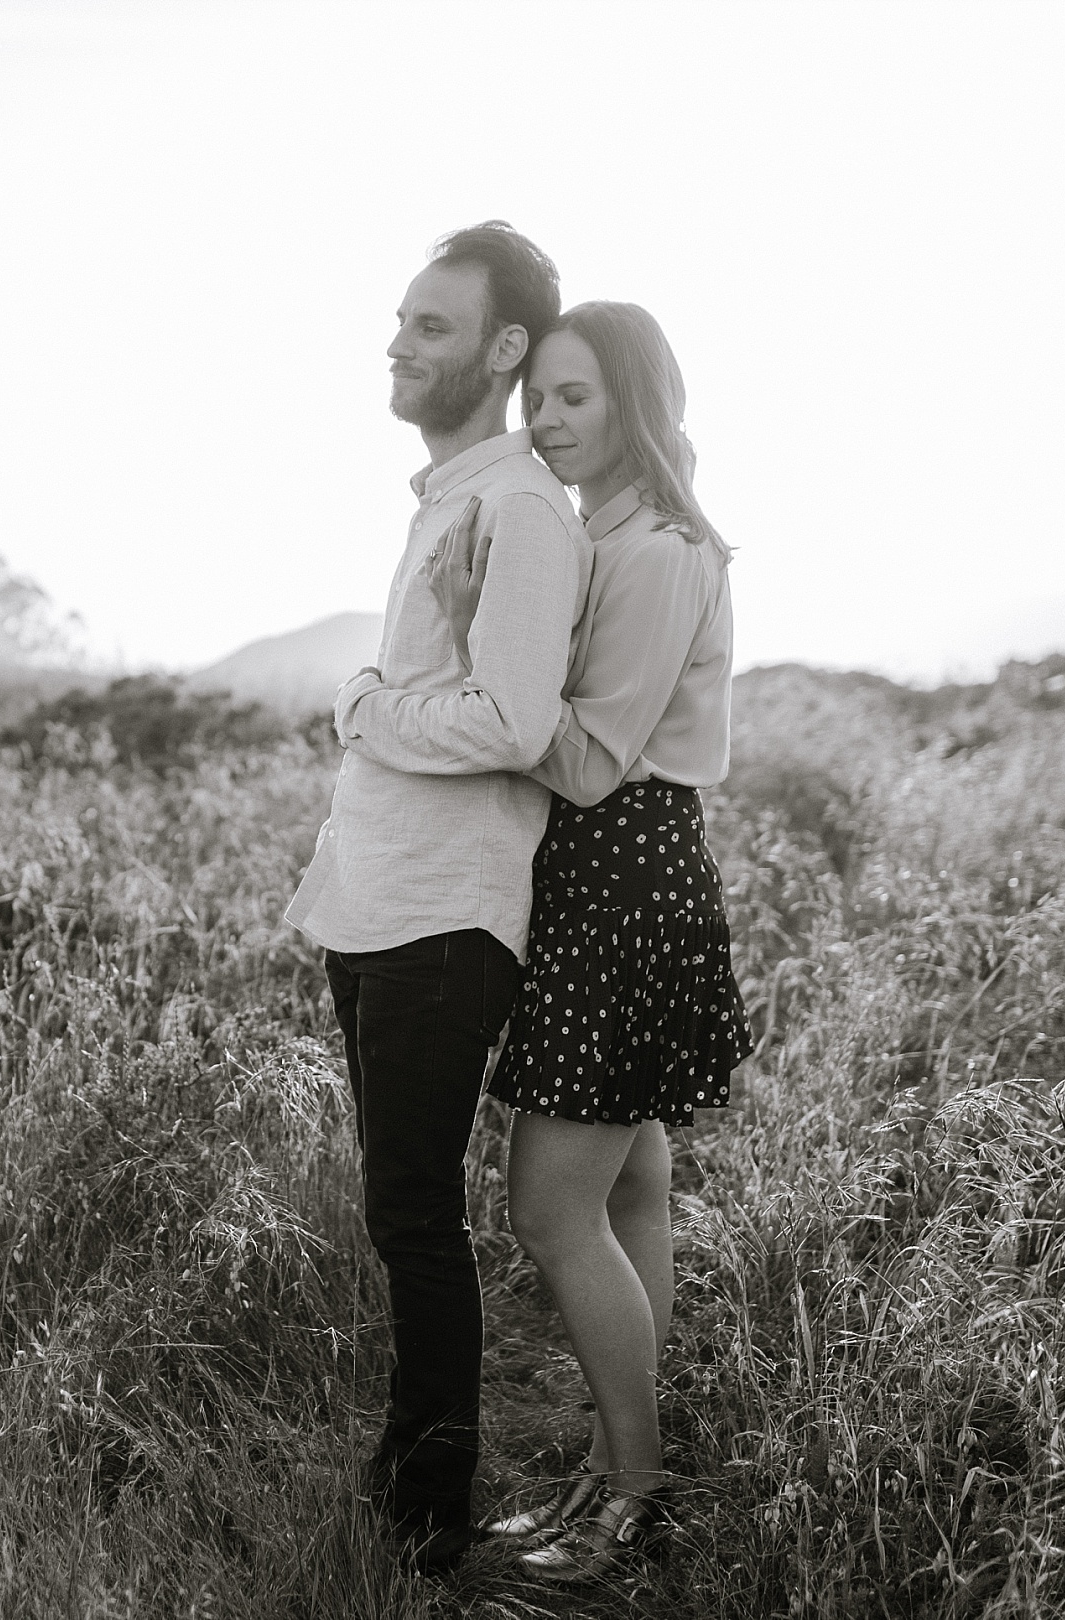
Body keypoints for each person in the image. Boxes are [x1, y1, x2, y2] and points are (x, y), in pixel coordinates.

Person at [337, 299, 754, 1581]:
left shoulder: (657, 552)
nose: (549, 422)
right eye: (542, 400)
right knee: (630, 1190)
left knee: (548, 1210)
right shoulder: (602, 535)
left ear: (638, 403)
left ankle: (635, 1497)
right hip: (612, 878)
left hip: (620, 882)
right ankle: (614, 1467)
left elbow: (579, 758)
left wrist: (472, 657)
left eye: (577, 398)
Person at [284, 221, 588, 1574]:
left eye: (433, 326)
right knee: (398, 1211)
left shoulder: (518, 511)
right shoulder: (454, 503)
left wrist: (363, 702)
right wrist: (397, 703)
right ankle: (408, 1486)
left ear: (503, 349)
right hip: (378, 901)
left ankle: (427, 1524)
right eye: (401, 322)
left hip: (441, 919)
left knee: (417, 1222)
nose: (400, 346)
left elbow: (518, 723)